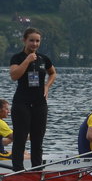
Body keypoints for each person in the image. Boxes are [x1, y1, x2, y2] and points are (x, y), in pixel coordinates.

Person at [8, 27, 56, 171]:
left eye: (37, 41)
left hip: (40, 104)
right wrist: (27, 61)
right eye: (31, 41)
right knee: (20, 139)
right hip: (21, 103)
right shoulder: (17, 57)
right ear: (24, 40)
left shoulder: (43, 58)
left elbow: (53, 73)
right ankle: (17, 170)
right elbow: (14, 76)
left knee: (37, 140)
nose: (34, 44)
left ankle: (37, 170)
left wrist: (47, 86)